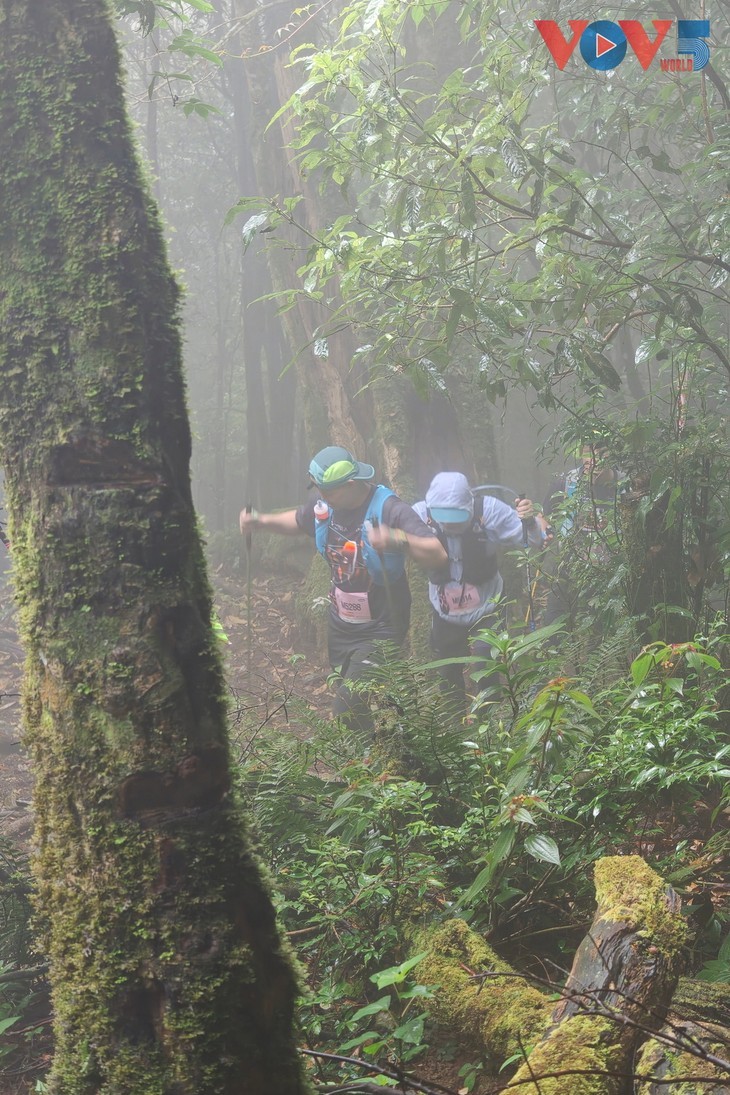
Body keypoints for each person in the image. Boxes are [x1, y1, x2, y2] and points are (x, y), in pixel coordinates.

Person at [239, 445, 447, 731]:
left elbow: (437, 553)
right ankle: (386, 745)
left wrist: (397, 538)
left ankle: (370, 751)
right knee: (355, 695)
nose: (321, 497)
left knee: (348, 704)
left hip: (383, 624)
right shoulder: (326, 505)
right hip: (341, 623)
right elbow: (300, 520)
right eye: (318, 489)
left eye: (328, 491)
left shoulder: (390, 509)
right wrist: (261, 521)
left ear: (351, 484)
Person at [412, 472, 544, 715]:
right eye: (444, 519)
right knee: (447, 667)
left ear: (469, 506)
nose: (449, 526)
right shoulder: (419, 515)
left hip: (487, 605)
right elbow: (393, 539)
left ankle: (491, 720)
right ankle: (454, 722)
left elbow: (533, 539)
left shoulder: (489, 511)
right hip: (444, 609)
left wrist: (531, 521)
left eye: (456, 519)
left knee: (487, 662)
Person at [541, 443, 623, 628]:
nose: (593, 461)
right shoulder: (566, 482)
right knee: (554, 628)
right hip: (569, 570)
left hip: (609, 575)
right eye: (587, 454)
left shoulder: (625, 484)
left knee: (601, 631)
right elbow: (543, 517)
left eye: (600, 454)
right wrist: (541, 528)